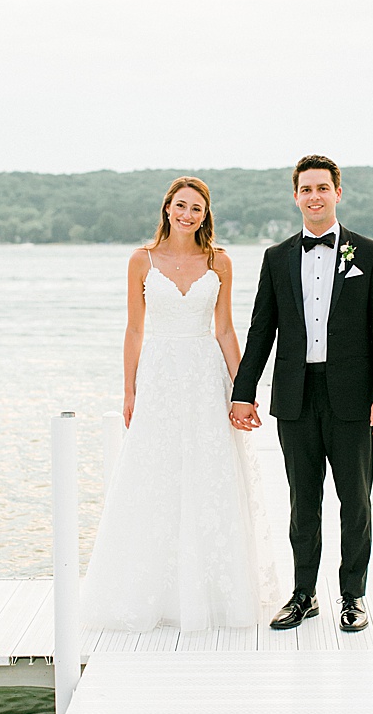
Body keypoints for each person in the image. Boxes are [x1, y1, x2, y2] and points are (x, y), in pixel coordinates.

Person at [82, 178, 281, 632]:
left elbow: (227, 331)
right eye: (181, 206)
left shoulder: (220, 262)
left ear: (205, 214)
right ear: (167, 209)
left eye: (197, 208)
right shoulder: (141, 260)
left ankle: (213, 592)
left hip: (206, 374)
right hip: (160, 376)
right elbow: (134, 330)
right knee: (156, 474)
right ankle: (153, 592)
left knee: (212, 474)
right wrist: (130, 390)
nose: (188, 214)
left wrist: (243, 391)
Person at [230, 155, 373, 634]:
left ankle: (353, 597)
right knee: (303, 503)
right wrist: (244, 392)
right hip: (296, 397)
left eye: (323, 188)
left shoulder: (369, 254)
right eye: (306, 189)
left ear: (337, 193)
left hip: (352, 397)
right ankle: (303, 595)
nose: (315, 196)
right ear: (296, 196)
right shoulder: (276, 257)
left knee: (355, 501)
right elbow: (261, 329)